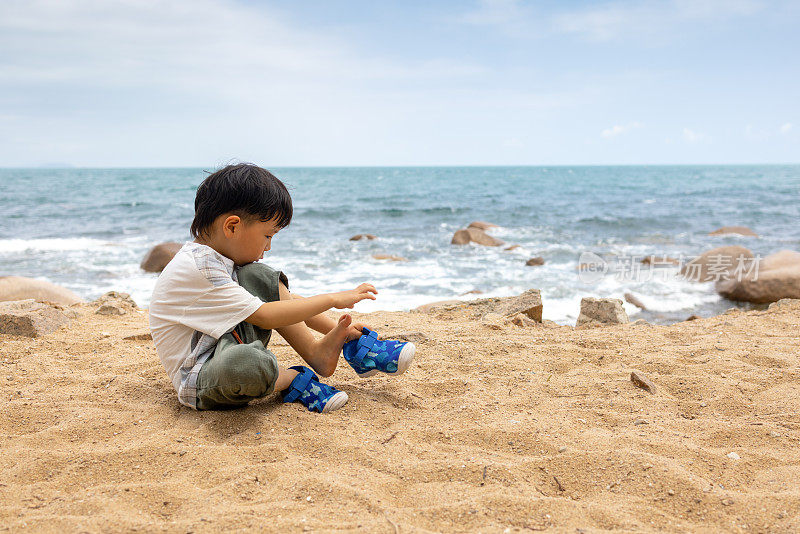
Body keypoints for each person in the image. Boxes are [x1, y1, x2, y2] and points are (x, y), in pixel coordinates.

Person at [148, 163, 415, 413]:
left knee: (259, 276)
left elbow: (282, 301)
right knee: (247, 363)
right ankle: (293, 378)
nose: (268, 247)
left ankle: (320, 352)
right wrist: (333, 298)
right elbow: (265, 315)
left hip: (225, 343)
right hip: (200, 377)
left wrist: (338, 329)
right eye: (267, 236)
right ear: (232, 226)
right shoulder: (199, 268)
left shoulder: (215, 259)